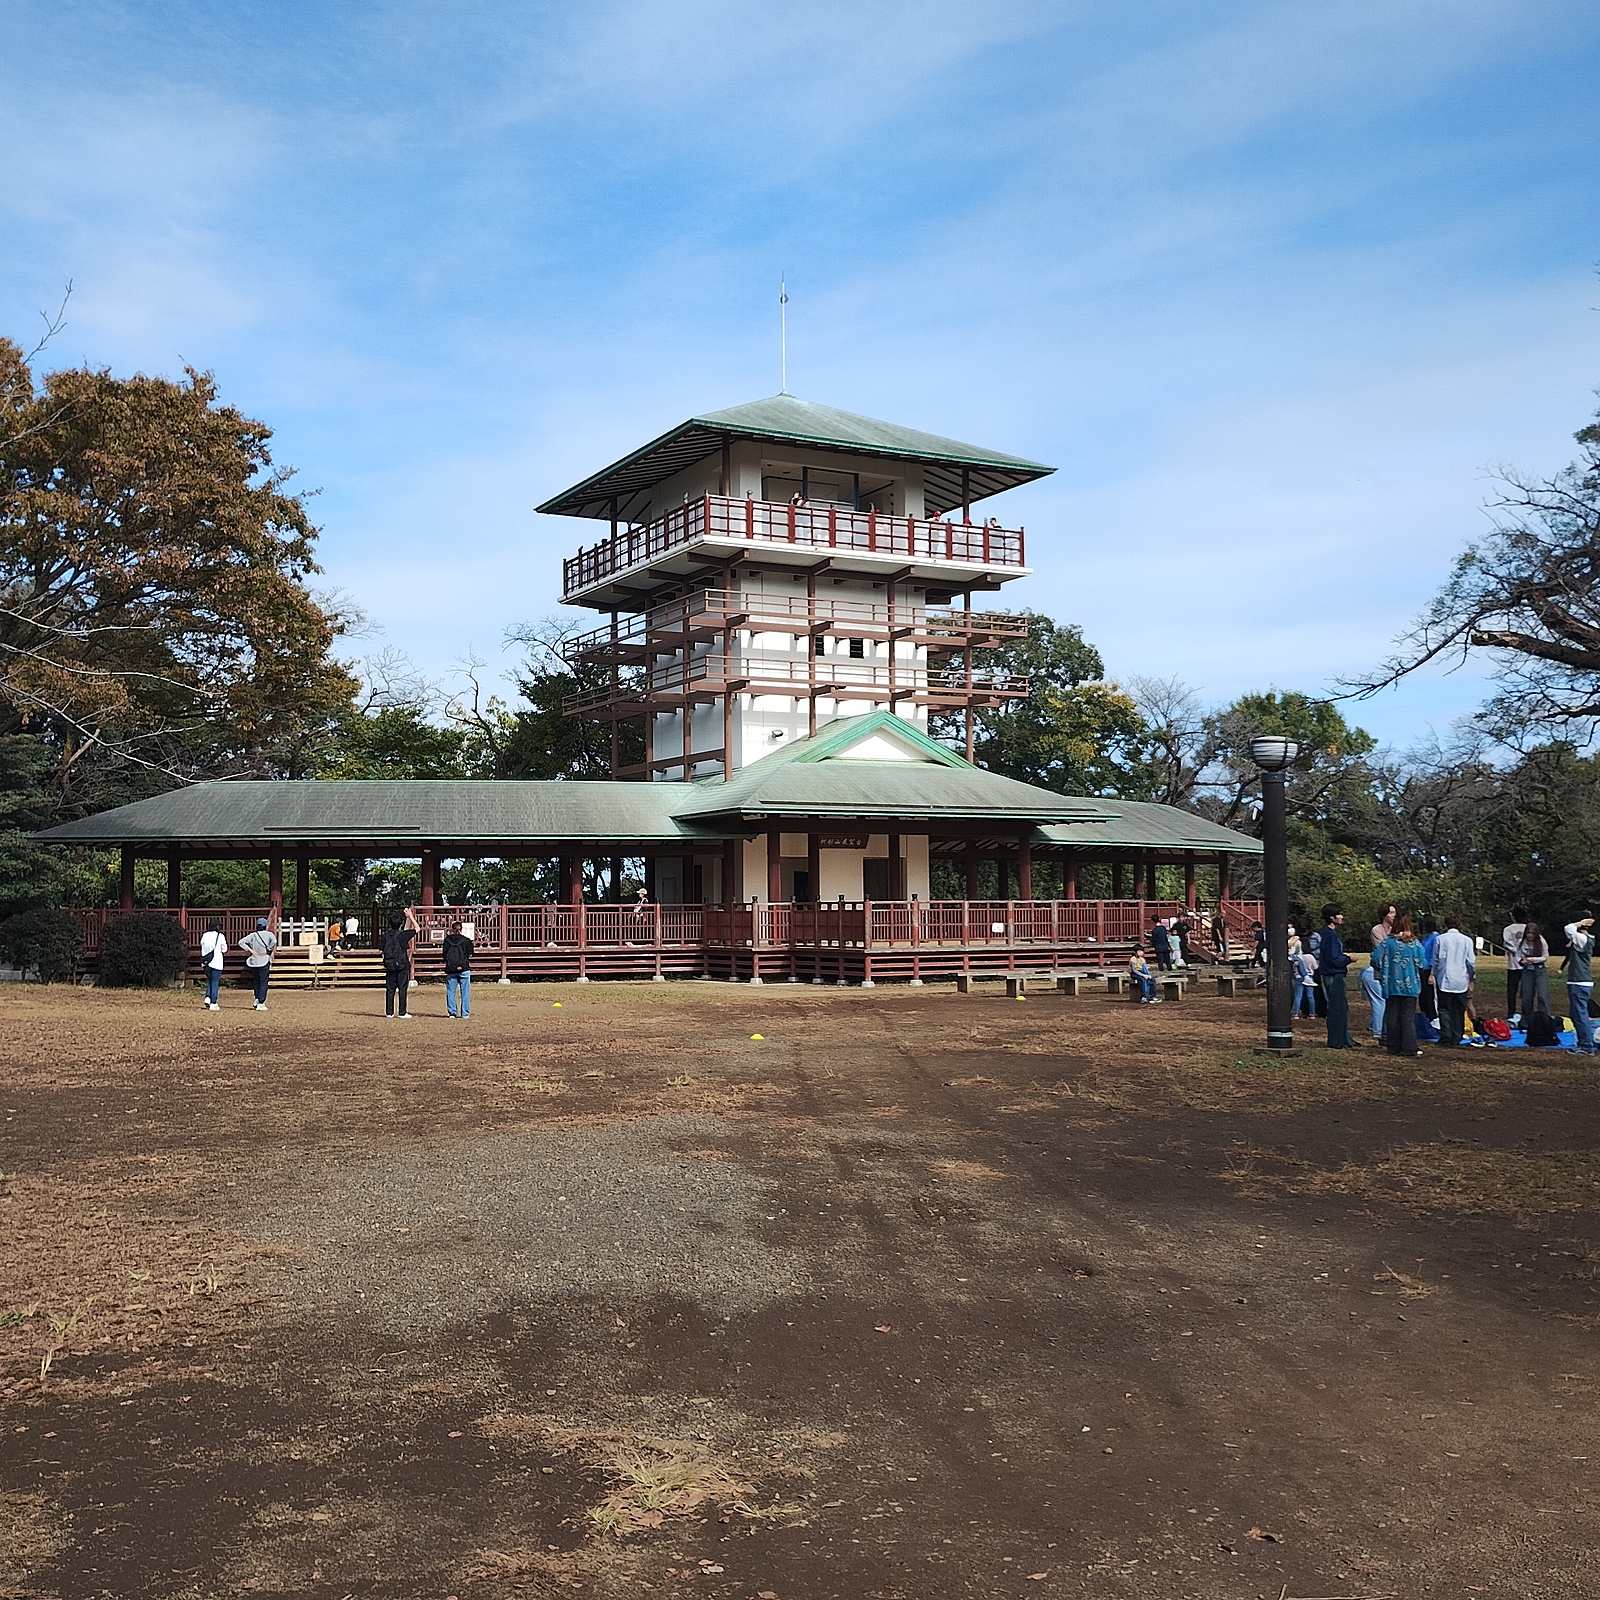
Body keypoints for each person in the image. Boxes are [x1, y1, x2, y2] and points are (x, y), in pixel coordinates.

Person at [1374, 914, 1428, 1056]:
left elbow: (1374, 959)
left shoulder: (1387, 943)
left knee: (1392, 1016)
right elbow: (1423, 963)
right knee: (1407, 1017)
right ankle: (1409, 1046)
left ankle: (1393, 1046)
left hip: (1391, 984)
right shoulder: (1415, 944)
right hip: (1410, 985)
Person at [1433, 913, 1476, 1046]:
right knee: (1459, 1009)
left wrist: (1433, 974)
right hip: (1461, 979)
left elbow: (1436, 960)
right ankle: (1457, 1035)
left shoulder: (1440, 939)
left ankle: (1446, 1035)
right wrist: (1471, 979)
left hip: (1445, 977)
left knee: (1444, 1008)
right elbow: (1471, 962)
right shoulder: (1467, 940)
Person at [1319, 904, 1354, 1048]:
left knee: (1341, 1008)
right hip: (1333, 975)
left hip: (1331, 973)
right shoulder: (1330, 935)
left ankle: (1344, 1037)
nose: (1341, 917)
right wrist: (1348, 959)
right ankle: (1337, 1040)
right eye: (1339, 914)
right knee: (1337, 1008)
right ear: (1331, 918)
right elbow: (1333, 958)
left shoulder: (1328, 933)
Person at [1564, 914, 1595, 1055]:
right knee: (1576, 1014)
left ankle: (1586, 1045)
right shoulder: (1585, 940)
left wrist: (1579, 923)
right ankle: (1583, 1042)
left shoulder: (1582, 939)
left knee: (1580, 1014)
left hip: (1579, 982)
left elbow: (1568, 929)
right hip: (1578, 981)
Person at [381, 908, 419, 1019]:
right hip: (402, 964)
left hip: (389, 964)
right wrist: (410, 916)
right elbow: (417, 928)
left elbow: (381, 949)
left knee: (390, 988)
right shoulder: (403, 935)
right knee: (402, 988)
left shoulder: (386, 936)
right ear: (400, 924)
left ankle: (389, 1012)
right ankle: (402, 1012)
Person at [238, 916, 276, 1012]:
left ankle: (257, 998)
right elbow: (274, 941)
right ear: (265, 926)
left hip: (254, 961)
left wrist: (251, 950)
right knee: (263, 982)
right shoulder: (269, 934)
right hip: (264, 959)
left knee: (256, 981)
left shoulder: (253, 935)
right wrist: (268, 949)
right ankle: (261, 1002)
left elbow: (241, 942)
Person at [1516, 920, 1551, 1020]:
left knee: (1542, 996)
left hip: (1539, 970)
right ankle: (1527, 1019)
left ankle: (1544, 1018)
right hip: (1527, 970)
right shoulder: (1521, 942)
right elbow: (1518, 955)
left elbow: (1545, 957)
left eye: (1532, 934)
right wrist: (1522, 961)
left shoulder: (1541, 941)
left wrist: (1533, 960)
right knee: (1526, 996)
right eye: (1528, 933)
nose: (1530, 936)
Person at [442, 920, 474, 1020]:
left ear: (452, 929)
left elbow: (444, 955)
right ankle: (465, 1013)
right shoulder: (466, 940)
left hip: (451, 969)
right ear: (461, 929)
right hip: (464, 968)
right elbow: (470, 953)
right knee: (465, 992)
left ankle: (452, 1012)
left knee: (451, 991)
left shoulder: (447, 941)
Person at [1502, 904, 1527, 1017]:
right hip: (1527, 963)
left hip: (1513, 964)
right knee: (1526, 990)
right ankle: (1526, 1011)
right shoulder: (1528, 928)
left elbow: (1507, 943)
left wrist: (1516, 952)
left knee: (1512, 991)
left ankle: (1511, 1013)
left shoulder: (1508, 929)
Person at [199, 918, 228, 1010]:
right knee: (215, 982)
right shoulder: (220, 936)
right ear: (217, 926)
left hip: (206, 962)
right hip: (216, 962)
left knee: (210, 980)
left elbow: (202, 945)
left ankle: (208, 997)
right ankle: (213, 1002)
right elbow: (224, 949)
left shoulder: (205, 935)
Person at [1418, 915, 1440, 1024]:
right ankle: (1426, 1017)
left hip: (1429, 970)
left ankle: (1433, 1019)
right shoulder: (1425, 937)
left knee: (1430, 997)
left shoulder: (1436, 938)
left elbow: (1434, 956)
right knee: (1423, 998)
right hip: (1422, 969)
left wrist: (1432, 973)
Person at [1360, 959, 1386, 1039]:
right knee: (1380, 1002)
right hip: (1375, 974)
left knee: (1378, 1002)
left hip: (1367, 972)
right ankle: (1378, 1031)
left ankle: (1373, 1024)